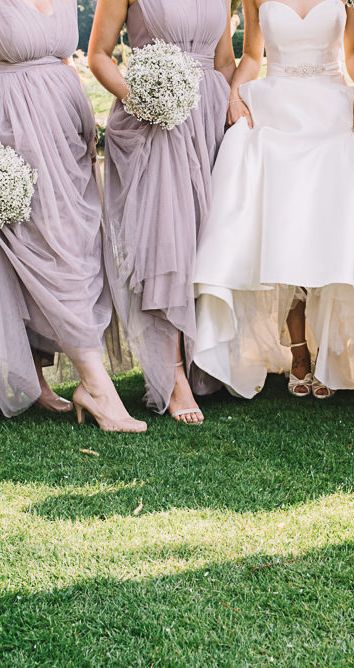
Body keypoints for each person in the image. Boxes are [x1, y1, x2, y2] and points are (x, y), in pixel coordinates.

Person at [193, 0, 354, 401]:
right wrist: (234, 93)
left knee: (326, 221)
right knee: (281, 221)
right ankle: (298, 354)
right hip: (275, 106)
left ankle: (331, 351)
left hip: (331, 104)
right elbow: (251, 55)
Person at [0, 0, 145, 433]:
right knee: (43, 250)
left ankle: (39, 373)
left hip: (66, 131)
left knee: (78, 245)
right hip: (15, 128)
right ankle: (97, 386)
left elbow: (65, 59)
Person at [88, 0, 235, 424]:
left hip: (207, 116)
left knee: (202, 240)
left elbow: (224, 61)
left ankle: (199, 359)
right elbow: (98, 55)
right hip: (156, 120)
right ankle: (171, 376)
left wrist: (224, 105)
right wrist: (145, 99)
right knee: (165, 242)